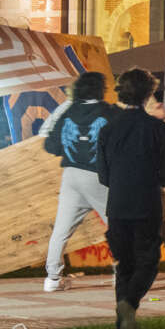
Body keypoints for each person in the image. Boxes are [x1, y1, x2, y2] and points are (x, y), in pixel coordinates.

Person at [98, 68, 165, 329]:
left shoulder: (108, 129)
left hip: (117, 204)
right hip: (146, 203)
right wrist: (155, 179)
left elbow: (103, 174)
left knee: (124, 264)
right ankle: (130, 303)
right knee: (148, 260)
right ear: (148, 94)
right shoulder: (158, 129)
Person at [42, 71, 119, 292]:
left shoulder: (68, 112)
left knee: (61, 230)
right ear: (101, 89)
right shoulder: (110, 113)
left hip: (71, 176)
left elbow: (51, 146)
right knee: (119, 225)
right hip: (99, 177)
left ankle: (52, 279)